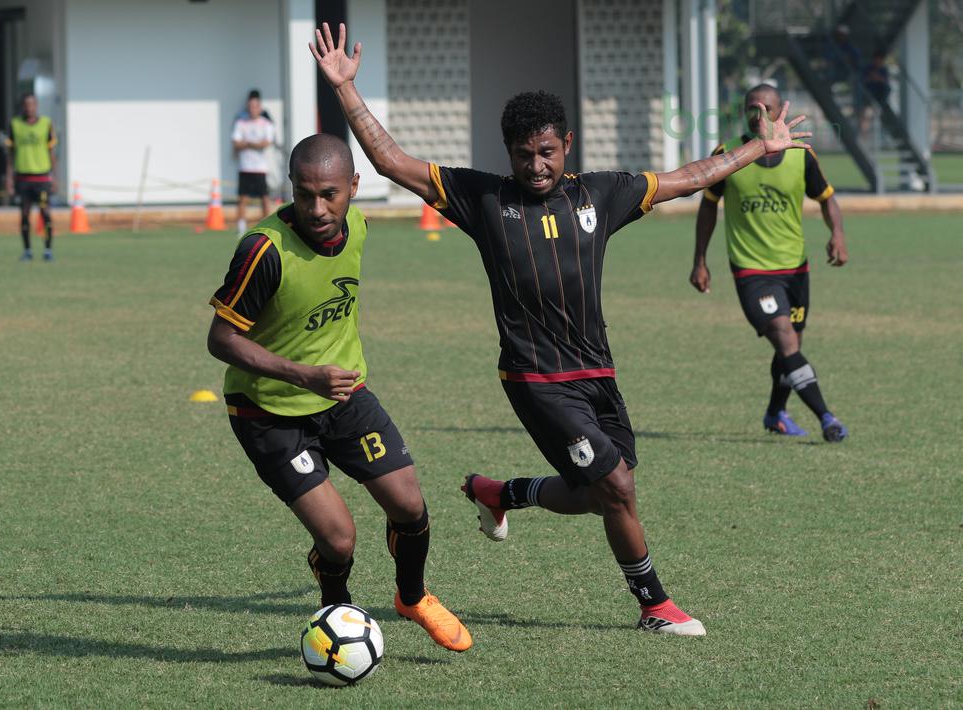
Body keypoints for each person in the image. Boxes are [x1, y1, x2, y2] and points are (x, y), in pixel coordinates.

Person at [312, 22, 813, 636]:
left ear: (566, 144)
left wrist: (757, 150)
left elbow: (688, 176)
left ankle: (501, 493)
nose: (537, 165)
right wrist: (346, 90)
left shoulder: (600, 195)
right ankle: (655, 606)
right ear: (508, 152)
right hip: (535, 379)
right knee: (618, 487)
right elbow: (391, 162)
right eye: (524, 154)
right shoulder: (483, 200)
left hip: (597, 372)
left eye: (547, 151)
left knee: (599, 492)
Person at [206, 133, 472, 652]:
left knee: (410, 507)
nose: (317, 208)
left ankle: (412, 597)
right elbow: (220, 339)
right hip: (268, 413)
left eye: (329, 193)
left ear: (353, 187)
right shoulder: (263, 251)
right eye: (304, 194)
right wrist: (303, 374)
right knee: (338, 538)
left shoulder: (359, 229)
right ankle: (339, 611)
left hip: (345, 395)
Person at [692, 84, 849, 442]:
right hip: (751, 270)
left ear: (781, 111)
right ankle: (827, 417)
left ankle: (776, 413)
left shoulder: (801, 155)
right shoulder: (728, 154)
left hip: (795, 267)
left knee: (789, 344)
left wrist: (837, 233)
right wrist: (700, 259)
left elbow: (827, 199)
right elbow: (707, 207)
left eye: (766, 106)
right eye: (751, 106)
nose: (758, 112)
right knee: (784, 337)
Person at [4, 94, 58, 262]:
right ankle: (27, 250)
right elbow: (10, 155)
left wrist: (54, 176)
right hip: (23, 178)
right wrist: (9, 178)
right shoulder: (15, 125)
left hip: (42, 178)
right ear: (23, 106)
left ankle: (48, 250)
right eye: (26, 105)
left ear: (37, 105)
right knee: (25, 214)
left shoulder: (46, 124)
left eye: (32, 104)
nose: (29, 108)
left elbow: (51, 152)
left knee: (45, 213)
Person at [231, 94, 276, 233]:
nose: (253, 109)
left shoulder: (266, 124)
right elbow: (236, 143)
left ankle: (268, 226)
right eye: (250, 106)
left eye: (255, 106)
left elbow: (266, 142)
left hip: (260, 168)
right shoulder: (241, 123)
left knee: (264, 198)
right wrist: (253, 144)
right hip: (245, 167)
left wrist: (248, 143)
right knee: (242, 198)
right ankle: (241, 228)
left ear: (260, 107)